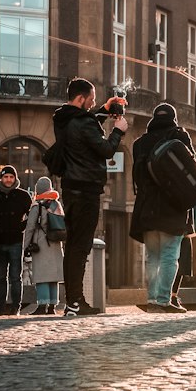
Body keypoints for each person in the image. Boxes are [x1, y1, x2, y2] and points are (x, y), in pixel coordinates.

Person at [52, 77, 128, 318]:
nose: (93, 103)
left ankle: (74, 301)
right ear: (81, 98)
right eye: (92, 100)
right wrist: (118, 131)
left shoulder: (64, 119)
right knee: (80, 247)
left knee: (73, 244)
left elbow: (86, 124)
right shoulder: (82, 122)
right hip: (86, 188)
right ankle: (75, 302)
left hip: (71, 187)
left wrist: (104, 110)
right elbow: (105, 150)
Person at [129, 102, 193, 314]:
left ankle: (152, 298)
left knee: (153, 256)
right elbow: (193, 167)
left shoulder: (140, 143)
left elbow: (137, 177)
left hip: (147, 207)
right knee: (169, 255)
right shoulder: (179, 137)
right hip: (173, 205)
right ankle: (163, 300)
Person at [0, 164, 33, 316]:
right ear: (1, 178)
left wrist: (22, 226)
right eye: (6, 177)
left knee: (15, 277)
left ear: (15, 179)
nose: (8, 180)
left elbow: (32, 215)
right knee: (0, 277)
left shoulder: (23, 195)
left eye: (11, 177)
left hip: (16, 240)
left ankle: (15, 307)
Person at [23, 175, 65, 315]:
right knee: (54, 277)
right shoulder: (56, 204)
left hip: (41, 243)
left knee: (41, 276)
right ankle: (53, 306)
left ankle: (42, 305)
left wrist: (25, 245)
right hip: (55, 243)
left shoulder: (38, 205)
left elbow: (30, 227)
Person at [171, 235, 193, 311]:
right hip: (181, 230)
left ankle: (172, 296)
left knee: (181, 264)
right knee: (181, 263)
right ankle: (172, 297)